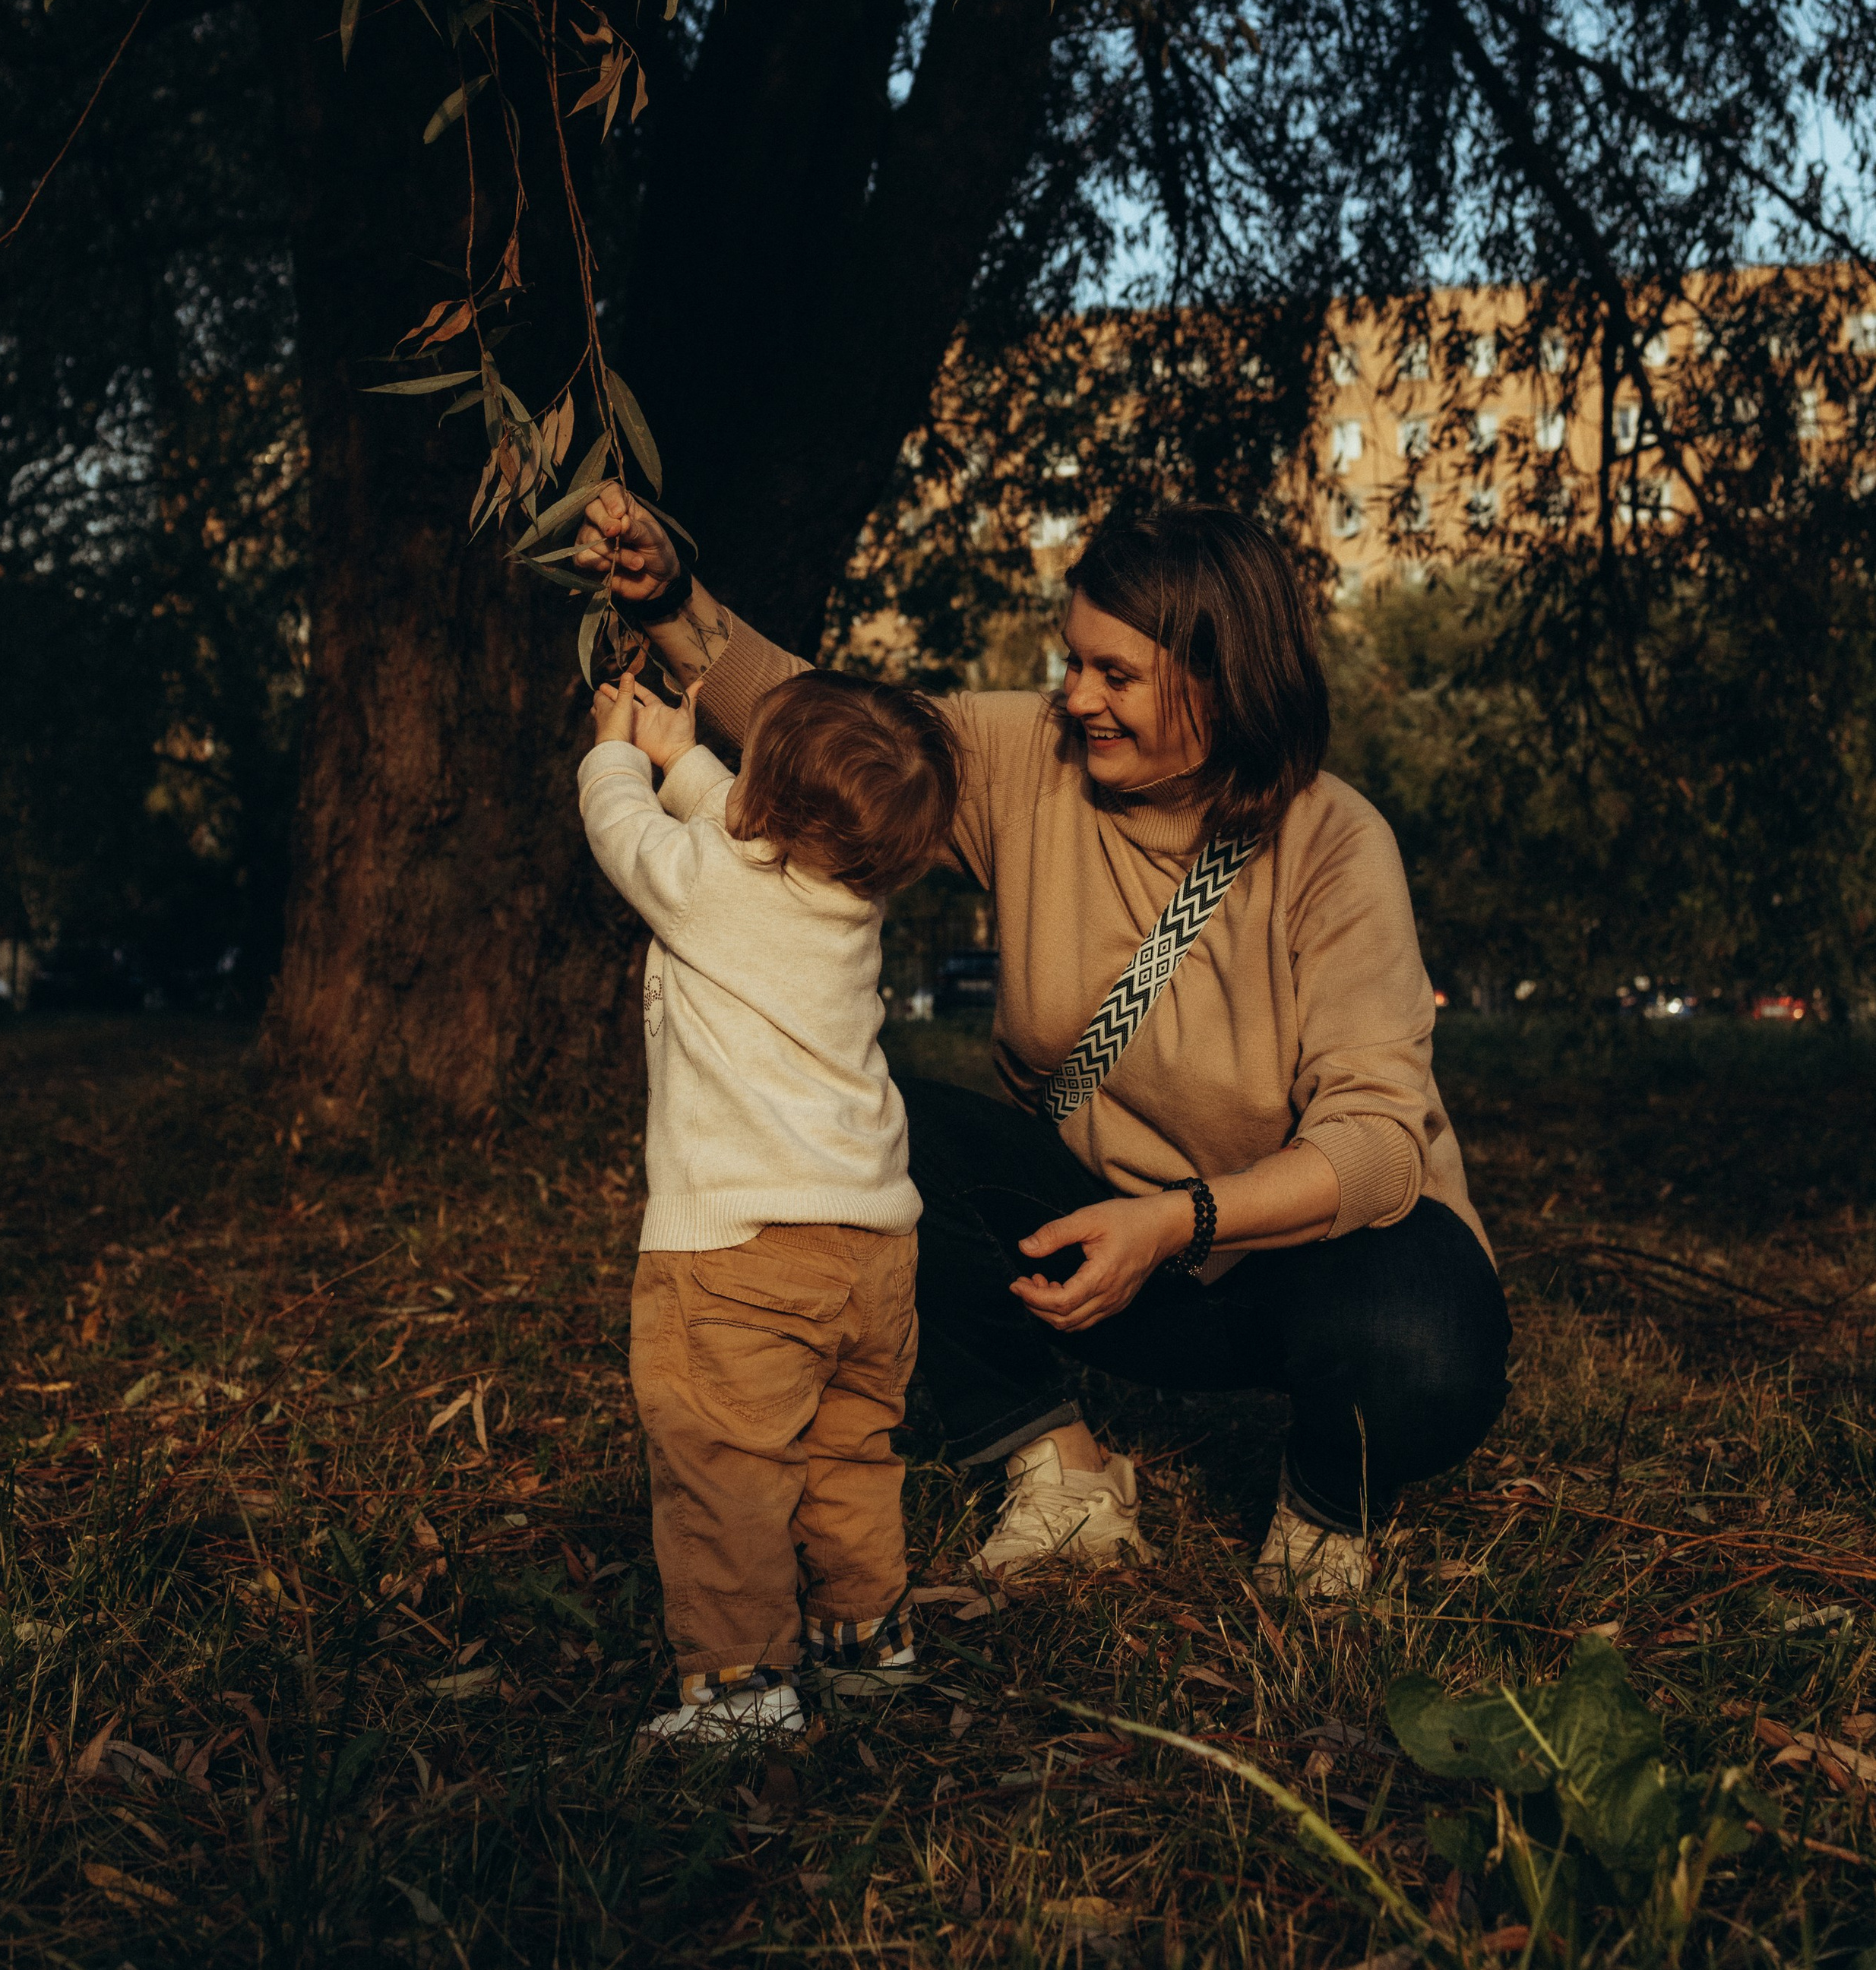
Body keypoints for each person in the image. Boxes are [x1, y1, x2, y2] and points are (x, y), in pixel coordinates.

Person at [574, 494, 1511, 1600]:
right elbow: (823, 729)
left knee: (1423, 1339)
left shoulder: (1337, 845)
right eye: (1073, 662)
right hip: (1096, 1253)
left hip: (1289, 1268)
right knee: (874, 1130)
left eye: (1116, 676)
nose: (1076, 698)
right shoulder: (1036, 755)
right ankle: (1055, 1467)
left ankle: (1322, 1504)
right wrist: (674, 601)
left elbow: (1381, 1147)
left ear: (1224, 678)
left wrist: (1174, 1221)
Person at [578, 660, 959, 1744]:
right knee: (849, 1453)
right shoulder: (855, 897)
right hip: (874, 1246)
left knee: (726, 1470)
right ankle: (865, 1640)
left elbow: (627, 837)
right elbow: (745, 830)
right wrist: (686, 758)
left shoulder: (710, 880)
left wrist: (617, 750)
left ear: (770, 808)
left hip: (742, 1254)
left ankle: (743, 1690)